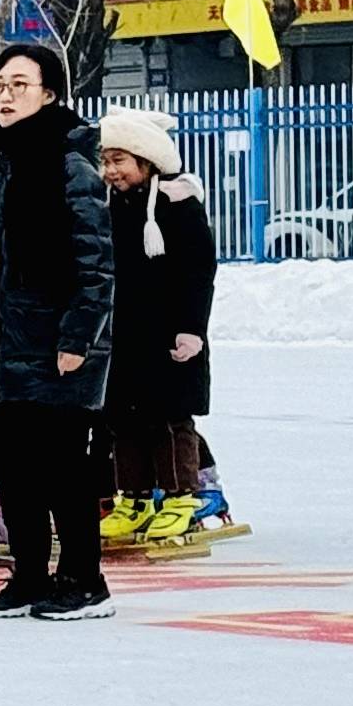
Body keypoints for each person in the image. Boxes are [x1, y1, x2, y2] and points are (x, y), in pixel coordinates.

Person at [0, 39, 115, 622]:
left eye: (20, 86)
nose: (5, 96)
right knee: (16, 470)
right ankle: (29, 575)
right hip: (0, 348)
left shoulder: (69, 164)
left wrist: (76, 340)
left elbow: (96, 265)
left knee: (63, 469)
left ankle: (84, 579)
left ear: (50, 93)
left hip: (57, 345)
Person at [94, 106, 219, 551]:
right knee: (122, 419)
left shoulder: (177, 204)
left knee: (167, 419)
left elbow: (198, 270)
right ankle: (134, 498)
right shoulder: (109, 207)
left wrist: (191, 328)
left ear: (146, 161)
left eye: (119, 160)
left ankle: (182, 495)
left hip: (168, 334)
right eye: (105, 160)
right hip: (123, 333)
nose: (110, 171)